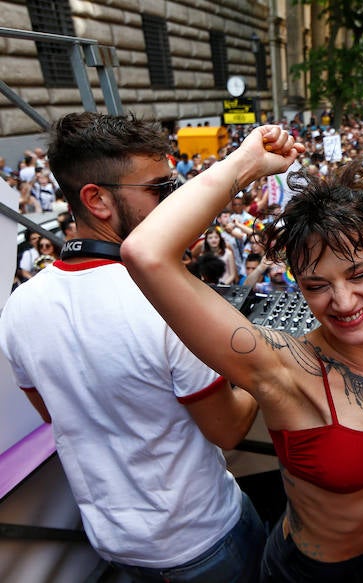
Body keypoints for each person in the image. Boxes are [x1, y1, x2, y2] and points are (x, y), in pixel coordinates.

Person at [121, 128, 363, 583]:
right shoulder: (282, 369)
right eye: (317, 286)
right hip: (308, 573)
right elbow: (145, 253)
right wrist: (244, 164)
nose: (344, 301)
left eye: (360, 273)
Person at [0, 112, 264, 582]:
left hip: (116, 545)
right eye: (159, 189)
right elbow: (227, 429)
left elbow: (55, 413)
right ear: (97, 199)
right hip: (205, 540)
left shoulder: (19, 307)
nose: (174, 199)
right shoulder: (166, 303)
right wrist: (264, 363)